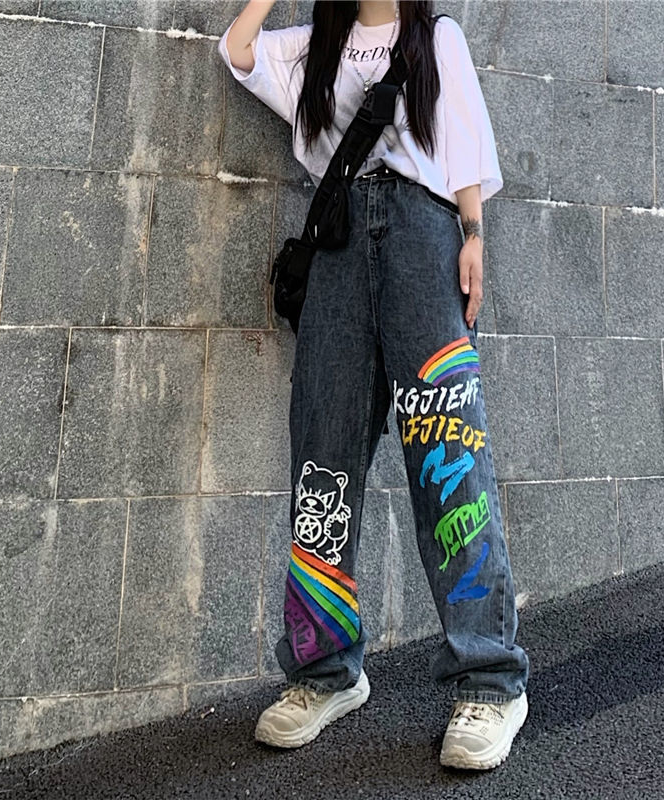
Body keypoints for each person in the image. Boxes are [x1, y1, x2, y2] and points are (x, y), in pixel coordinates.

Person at [218, 0, 530, 771]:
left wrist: (473, 237)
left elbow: (464, 145)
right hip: (339, 247)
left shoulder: (436, 37)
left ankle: (490, 681)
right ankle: (325, 672)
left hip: (425, 239)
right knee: (322, 461)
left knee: (449, 456)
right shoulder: (315, 48)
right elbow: (238, 50)